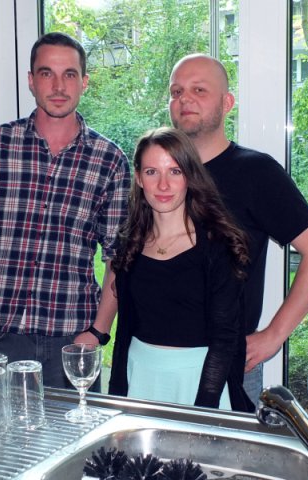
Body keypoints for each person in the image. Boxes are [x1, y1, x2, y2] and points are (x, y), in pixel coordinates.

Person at [0, 32, 131, 388]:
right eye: (46, 73)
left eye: (69, 74)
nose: (58, 86)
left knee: (74, 427)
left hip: (71, 340)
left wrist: (98, 332)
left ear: (84, 82)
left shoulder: (109, 160)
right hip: (1, 339)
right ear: (31, 81)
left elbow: (119, 258)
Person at [168, 54, 308, 402]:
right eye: (176, 91)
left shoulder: (256, 173)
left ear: (227, 103)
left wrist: (274, 335)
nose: (185, 99)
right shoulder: (160, 174)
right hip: (160, 361)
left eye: (199, 90)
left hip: (229, 364)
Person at [108, 127, 254, 412]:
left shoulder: (219, 245)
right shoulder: (129, 243)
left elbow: (224, 339)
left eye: (174, 171)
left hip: (198, 383)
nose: (163, 185)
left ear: (190, 176)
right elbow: (124, 328)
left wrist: (204, 408)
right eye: (152, 172)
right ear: (138, 178)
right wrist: (117, 394)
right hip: (140, 378)